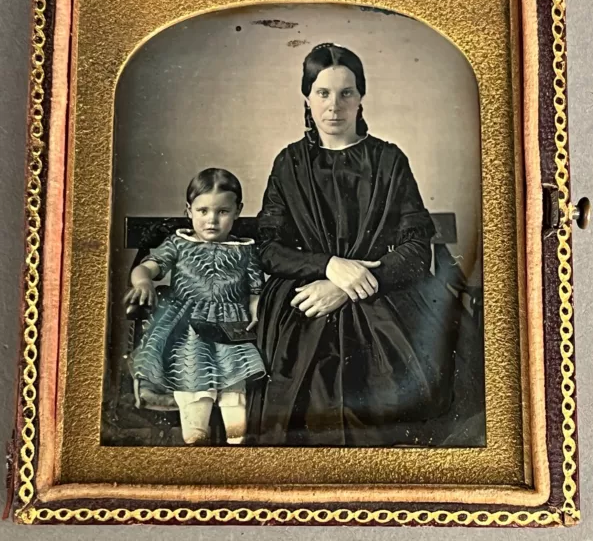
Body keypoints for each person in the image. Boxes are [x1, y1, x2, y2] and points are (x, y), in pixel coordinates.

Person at [247, 43, 466, 447]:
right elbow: (269, 249)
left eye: (346, 92)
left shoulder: (389, 160)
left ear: (361, 97)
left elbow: (417, 249)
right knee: (309, 376)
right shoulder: (289, 163)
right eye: (323, 93)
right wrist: (329, 265)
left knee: (393, 375)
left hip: (383, 291)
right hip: (305, 293)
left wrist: (348, 283)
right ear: (307, 98)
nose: (335, 106)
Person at [124, 168, 266, 445]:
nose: (211, 219)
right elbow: (148, 267)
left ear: (238, 211)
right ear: (189, 211)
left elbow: (255, 292)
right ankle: (195, 438)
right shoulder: (179, 244)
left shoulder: (245, 251)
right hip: (187, 326)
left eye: (222, 212)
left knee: (234, 386)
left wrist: (256, 310)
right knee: (193, 376)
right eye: (203, 211)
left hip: (232, 326)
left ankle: (237, 441)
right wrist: (143, 282)